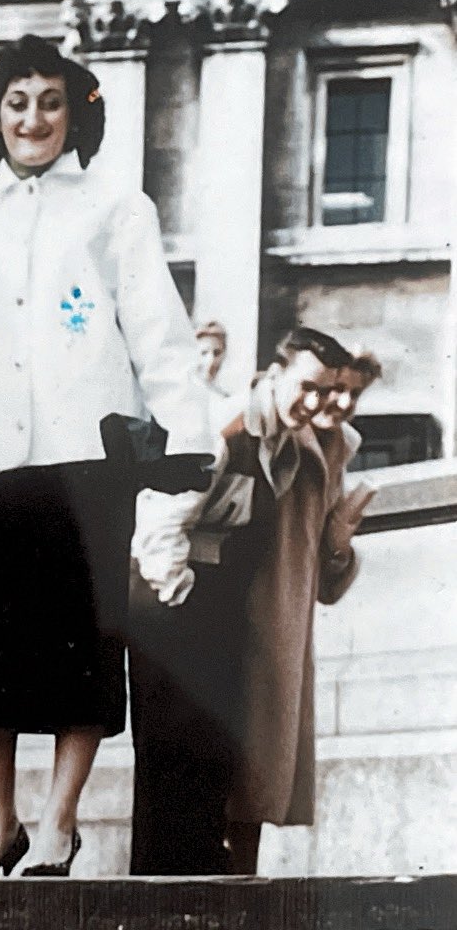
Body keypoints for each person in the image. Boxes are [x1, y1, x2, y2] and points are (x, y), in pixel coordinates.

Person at [0, 34, 211, 878]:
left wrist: (184, 435)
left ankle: (58, 820)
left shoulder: (116, 210)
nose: (33, 117)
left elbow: (157, 327)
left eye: (50, 100)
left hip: (86, 459)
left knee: (79, 650)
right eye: (17, 102)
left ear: (77, 111)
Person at [129, 326, 358, 875]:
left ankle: (197, 883)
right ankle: (166, 892)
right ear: (274, 375)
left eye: (326, 393)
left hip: (212, 601)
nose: (315, 403)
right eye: (306, 386)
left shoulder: (282, 436)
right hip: (173, 597)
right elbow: (161, 523)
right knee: (174, 753)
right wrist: (178, 598)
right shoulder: (226, 425)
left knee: (209, 756)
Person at [223, 346, 382, 873]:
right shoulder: (280, 423)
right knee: (229, 769)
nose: (340, 401)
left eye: (354, 393)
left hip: (284, 618)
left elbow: (327, 581)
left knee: (259, 777)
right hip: (236, 608)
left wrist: (339, 543)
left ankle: (239, 884)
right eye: (335, 387)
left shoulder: (337, 448)